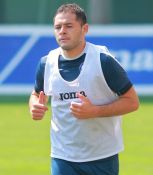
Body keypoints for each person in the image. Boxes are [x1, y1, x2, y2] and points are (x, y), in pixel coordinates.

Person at [29, 3, 139, 175]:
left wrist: (94, 111)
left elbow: (132, 102)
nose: (62, 31)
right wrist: (35, 106)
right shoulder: (46, 62)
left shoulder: (103, 61)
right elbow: (36, 94)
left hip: (102, 156)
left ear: (84, 29)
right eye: (58, 27)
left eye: (69, 26)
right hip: (62, 156)